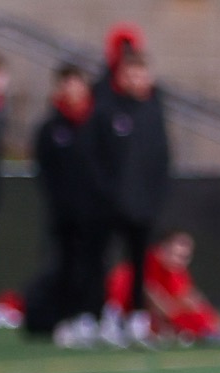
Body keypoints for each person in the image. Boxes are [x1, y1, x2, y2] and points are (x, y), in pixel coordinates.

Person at [93, 40, 171, 347]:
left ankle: (136, 317)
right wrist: (107, 195)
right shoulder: (107, 109)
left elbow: (161, 158)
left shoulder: (154, 111)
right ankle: (106, 315)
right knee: (107, 261)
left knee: (139, 264)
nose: (137, 80)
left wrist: (156, 196)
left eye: (141, 74)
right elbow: (97, 158)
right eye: (130, 74)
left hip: (144, 205)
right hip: (111, 205)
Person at [31, 63, 107, 347]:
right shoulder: (51, 127)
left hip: (97, 212)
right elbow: (45, 170)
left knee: (95, 265)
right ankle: (65, 317)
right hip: (64, 214)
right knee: (65, 267)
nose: (72, 90)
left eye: (77, 84)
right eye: (67, 84)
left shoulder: (99, 122)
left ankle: (93, 317)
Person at [102, 229, 220, 344]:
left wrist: (212, 323)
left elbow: (190, 299)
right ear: (163, 248)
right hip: (121, 311)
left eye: (186, 257)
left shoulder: (176, 272)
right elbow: (160, 305)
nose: (182, 260)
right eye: (178, 254)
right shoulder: (148, 264)